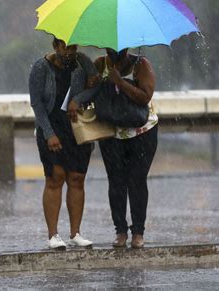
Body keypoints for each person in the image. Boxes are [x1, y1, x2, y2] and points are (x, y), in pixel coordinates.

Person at [29, 37, 99, 249]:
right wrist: (49, 133)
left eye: (73, 47)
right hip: (52, 126)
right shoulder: (41, 68)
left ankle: (75, 232)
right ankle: (53, 235)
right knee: (55, 176)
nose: (69, 52)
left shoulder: (82, 62)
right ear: (55, 47)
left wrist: (78, 99)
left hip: (76, 126)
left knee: (77, 178)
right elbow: (37, 103)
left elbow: (96, 85)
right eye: (65, 47)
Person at [94, 48, 158, 248]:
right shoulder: (99, 64)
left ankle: (138, 232)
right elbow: (91, 92)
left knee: (137, 180)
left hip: (141, 132)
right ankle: (120, 231)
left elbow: (145, 97)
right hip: (112, 132)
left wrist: (120, 82)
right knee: (116, 181)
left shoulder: (141, 65)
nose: (113, 50)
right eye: (109, 47)